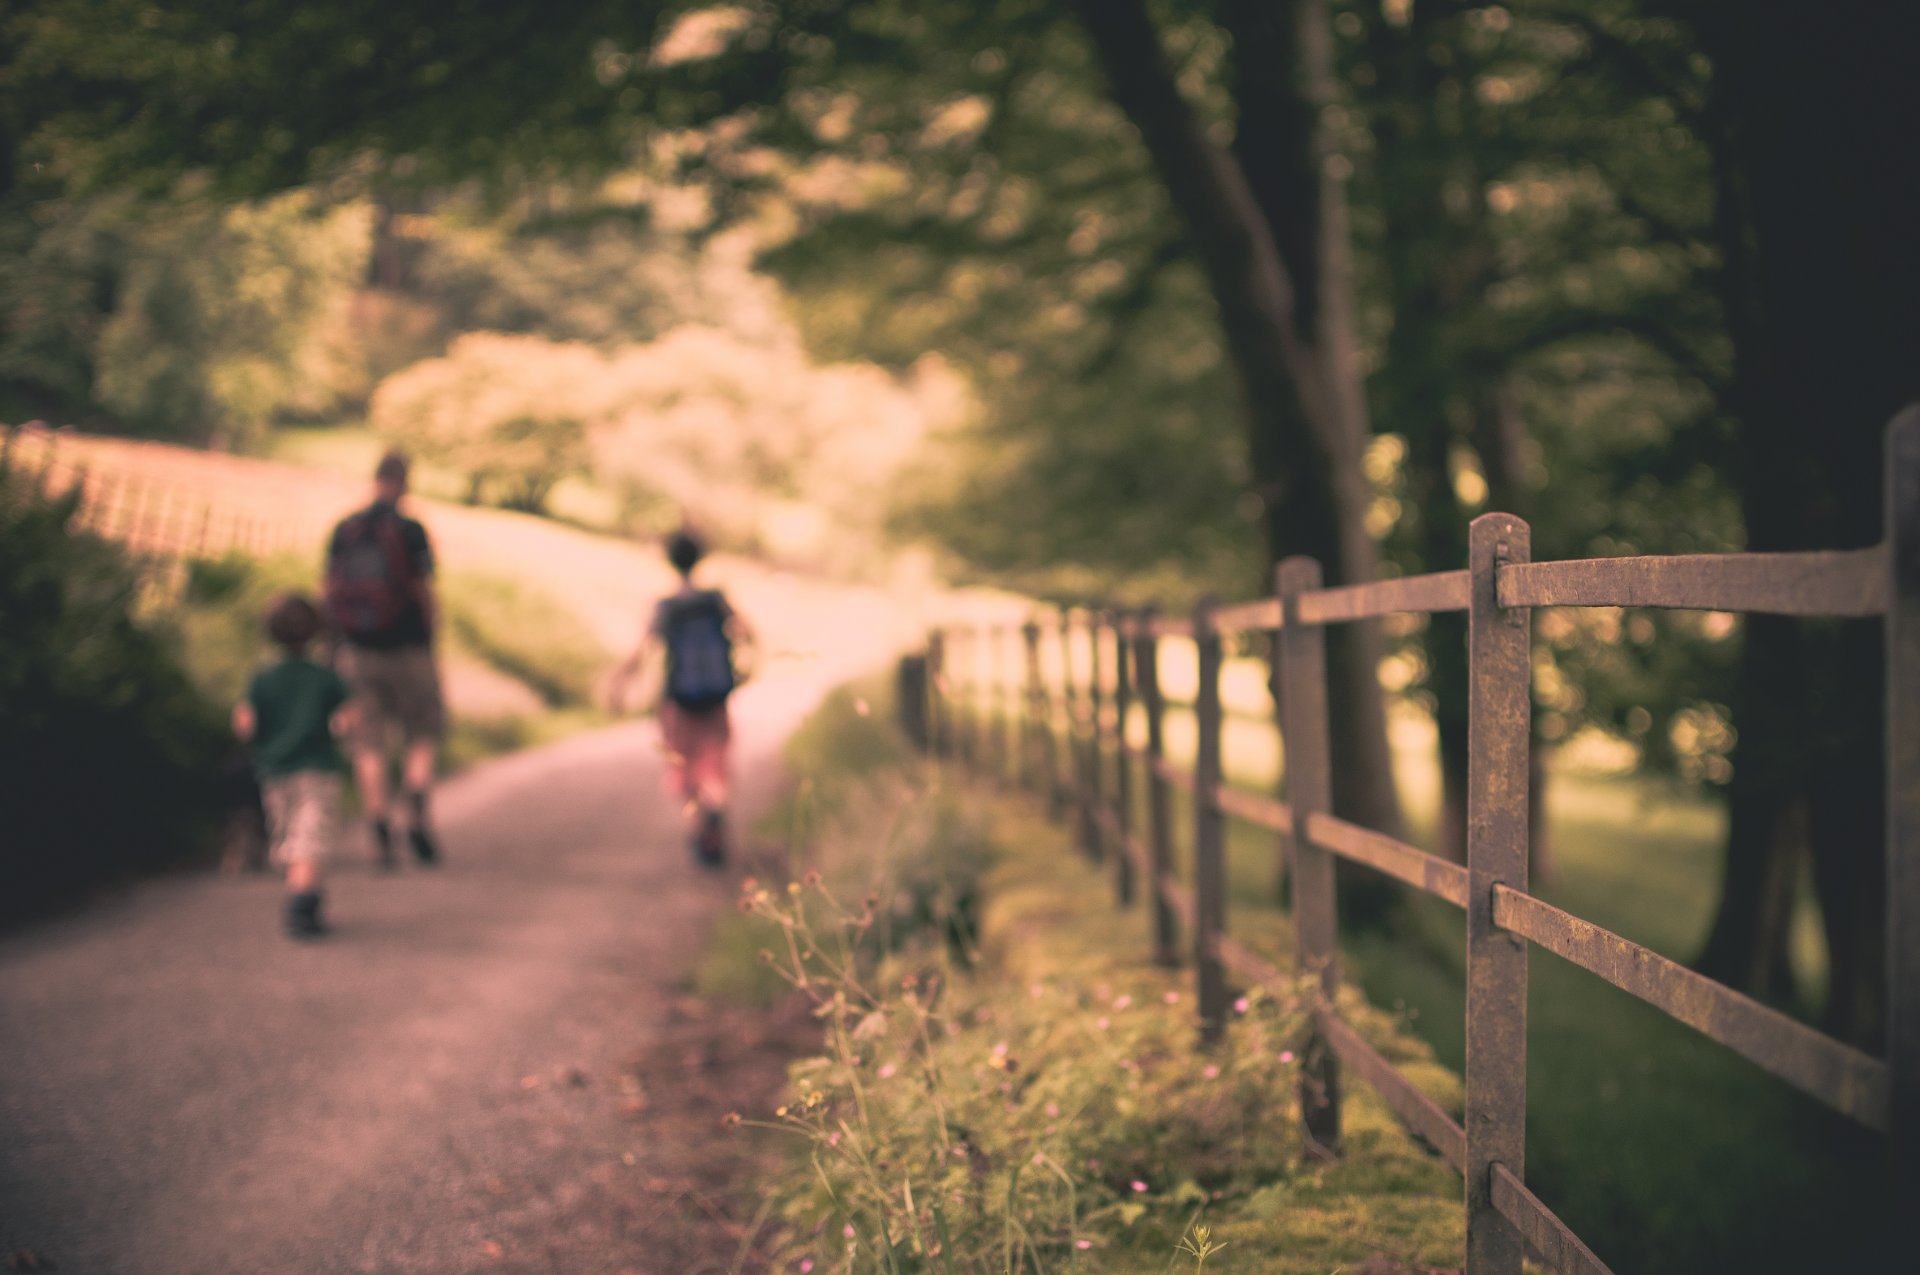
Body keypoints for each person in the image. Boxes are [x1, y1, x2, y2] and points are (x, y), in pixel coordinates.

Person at [607, 528, 757, 866]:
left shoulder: (667, 606)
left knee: (685, 769)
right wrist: (748, 669)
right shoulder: (715, 599)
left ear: (670, 560)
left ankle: (698, 831)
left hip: (678, 701)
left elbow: (642, 651)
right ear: (700, 557)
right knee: (715, 762)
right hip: (716, 698)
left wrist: (617, 684)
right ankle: (716, 808)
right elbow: (749, 635)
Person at [325, 450, 445, 868]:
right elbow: (423, 590)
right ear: (405, 481)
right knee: (422, 730)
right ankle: (414, 793)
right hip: (410, 647)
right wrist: (432, 638)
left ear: (374, 478)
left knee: (368, 742)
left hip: (356, 650)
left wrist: (332, 647)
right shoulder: (412, 531)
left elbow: (327, 592)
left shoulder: (345, 530)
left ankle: (378, 822)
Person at [233, 592, 358, 938]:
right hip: (317, 770)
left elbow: (245, 725)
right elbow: (349, 721)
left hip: (274, 772)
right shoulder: (326, 677)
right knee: (310, 836)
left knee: (289, 835)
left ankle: (306, 893)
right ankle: (302, 903)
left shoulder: (262, 678)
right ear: (316, 632)